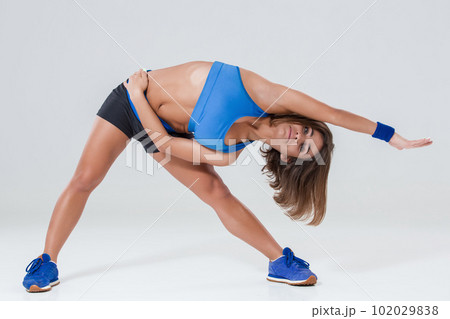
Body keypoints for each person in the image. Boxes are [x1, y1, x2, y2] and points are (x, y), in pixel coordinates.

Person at [22, 61, 432, 292]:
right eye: (307, 131)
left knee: (217, 192)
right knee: (85, 180)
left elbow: (162, 143)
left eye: (304, 149)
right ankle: (47, 262)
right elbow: (333, 113)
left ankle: (278, 261)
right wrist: (390, 135)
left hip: (146, 110)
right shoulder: (261, 91)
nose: (300, 136)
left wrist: (136, 96)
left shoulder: (227, 153)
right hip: (130, 100)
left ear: (288, 158)